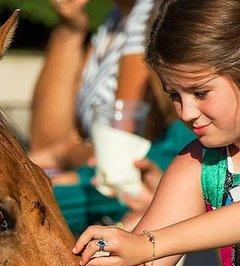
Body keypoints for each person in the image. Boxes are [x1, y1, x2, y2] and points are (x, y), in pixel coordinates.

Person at [71, 0, 240, 266]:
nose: (187, 113)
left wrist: (146, 244)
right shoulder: (201, 164)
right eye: (174, 95)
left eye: (200, 92)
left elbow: (151, 243)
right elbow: (144, 259)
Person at [30, 0, 194, 235]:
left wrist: (64, 152)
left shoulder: (151, 13)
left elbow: (117, 152)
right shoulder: (115, 19)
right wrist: (70, 27)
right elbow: (46, 145)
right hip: (113, 181)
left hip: (140, 180)